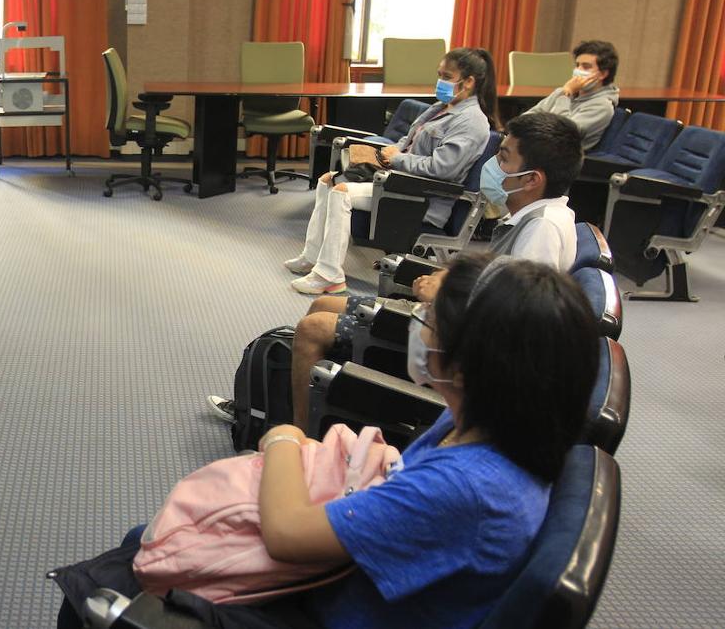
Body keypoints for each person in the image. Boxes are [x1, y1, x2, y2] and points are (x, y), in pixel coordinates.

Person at [56, 254, 599, 629]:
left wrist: (282, 440)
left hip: (319, 610)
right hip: (345, 578)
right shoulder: (485, 422)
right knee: (148, 542)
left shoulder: (471, 488)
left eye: (432, 324)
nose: (420, 330)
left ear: (472, 364)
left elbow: (289, 535)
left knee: (96, 595)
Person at [208, 110, 585, 429]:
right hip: (456, 323)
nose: (493, 166)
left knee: (312, 330)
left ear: (533, 179)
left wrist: (441, 298)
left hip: (460, 350)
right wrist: (453, 279)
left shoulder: (543, 231)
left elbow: (514, 323)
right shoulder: (535, 218)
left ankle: (299, 441)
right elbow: (504, 285)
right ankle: (285, 414)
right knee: (323, 307)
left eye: (503, 158)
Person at [285, 48, 494, 296]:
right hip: (401, 180)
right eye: (439, 74)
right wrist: (390, 152)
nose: (440, 81)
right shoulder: (442, 107)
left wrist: (399, 159)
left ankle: (329, 275)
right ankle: (311, 257)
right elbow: (410, 139)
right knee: (327, 180)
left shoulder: (472, 121)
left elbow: (443, 169)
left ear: (469, 81)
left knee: (341, 192)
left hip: (423, 197)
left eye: (447, 76)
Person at [520, 40, 619, 150]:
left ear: (603, 74)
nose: (578, 71)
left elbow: (557, 133)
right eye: (577, 65)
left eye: (586, 67)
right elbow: (524, 119)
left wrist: (565, 96)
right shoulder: (563, 92)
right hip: (533, 147)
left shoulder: (602, 106)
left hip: (558, 159)